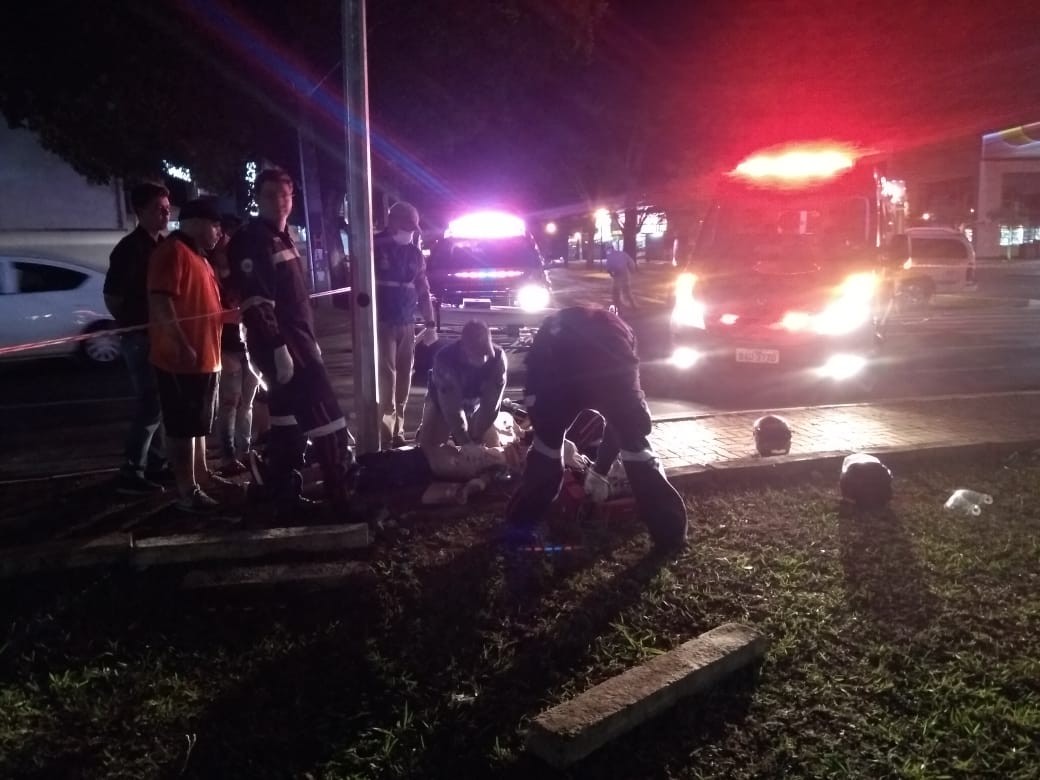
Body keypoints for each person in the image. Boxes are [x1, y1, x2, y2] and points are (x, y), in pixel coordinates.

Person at [502, 306, 687, 553]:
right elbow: (624, 421)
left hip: (574, 361)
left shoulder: (610, 334)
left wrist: (597, 466)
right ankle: (670, 537)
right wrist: (598, 468)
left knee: (550, 448)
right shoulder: (616, 332)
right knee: (633, 444)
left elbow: (623, 418)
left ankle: (519, 527)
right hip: (562, 363)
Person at [227, 167, 354, 516]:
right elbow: (255, 302)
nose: (280, 202)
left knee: (288, 423)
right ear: (258, 198)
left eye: (285, 195)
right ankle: (340, 501)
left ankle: (278, 494)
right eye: (271, 195)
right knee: (329, 420)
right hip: (284, 346)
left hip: (296, 341)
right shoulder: (252, 239)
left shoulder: (282, 237)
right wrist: (278, 347)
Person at [147, 198, 226, 513]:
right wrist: (181, 342)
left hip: (206, 358)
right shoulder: (172, 252)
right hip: (180, 359)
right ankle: (187, 491)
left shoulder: (201, 258)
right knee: (182, 426)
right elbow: (161, 302)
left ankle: (202, 476)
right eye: (215, 225)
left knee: (198, 423)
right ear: (194, 222)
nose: (218, 232)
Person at [104, 182, 171, 494]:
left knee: (158, 401)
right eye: (159, 208)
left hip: (157, 333)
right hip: (140, 335)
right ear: (140, 210)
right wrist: (134, 323)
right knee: (150, 402)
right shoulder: (130, 249)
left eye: (167, 207)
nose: (166, 213)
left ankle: (156, 463)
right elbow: (113, 297)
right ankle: (132, 470)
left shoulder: (161, 245)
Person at [374, 201, 436, 448]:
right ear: (392, 222)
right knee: (386, 379)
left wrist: (430, 323)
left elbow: (423, 290)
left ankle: (397, 432)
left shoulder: (415, 254)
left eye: (412, 227)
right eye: (406, 225)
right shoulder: (375, 246)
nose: (409, 231)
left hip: (406, 323)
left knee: (403, 380)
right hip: (382, 323)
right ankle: (384, 433)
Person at [208, 214, 258, 476]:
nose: (225, 243)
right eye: (221, 238)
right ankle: (228, 456)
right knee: (230, 402)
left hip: (248, 343)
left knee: (247, 402)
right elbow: (212, 313)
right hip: (226, 344)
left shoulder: (244, 272)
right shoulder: (210, 274)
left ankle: (245, 451)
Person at [417, 319, 507, 453]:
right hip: (441, 403)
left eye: (485, 353)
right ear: (464, 348)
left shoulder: (498, 359)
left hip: (475, 405)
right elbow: (451, 408)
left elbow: (491, 405)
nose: (483, 359)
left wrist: (476, 439)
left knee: (492, 447)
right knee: (430, 451)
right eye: (477, 354)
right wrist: (465, 442)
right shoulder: (445, 360)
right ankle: (426, 432)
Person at [605, 244, 638, 312]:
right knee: (627, 291)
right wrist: (632, 270)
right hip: (625, 275)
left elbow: (608, 267)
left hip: (617, 276)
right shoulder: (622, 254)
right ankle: (634, 306)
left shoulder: (610, 256)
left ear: (609, 249)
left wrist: (611, 273)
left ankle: (618, 309)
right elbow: (631, 262)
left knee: (616, 293)